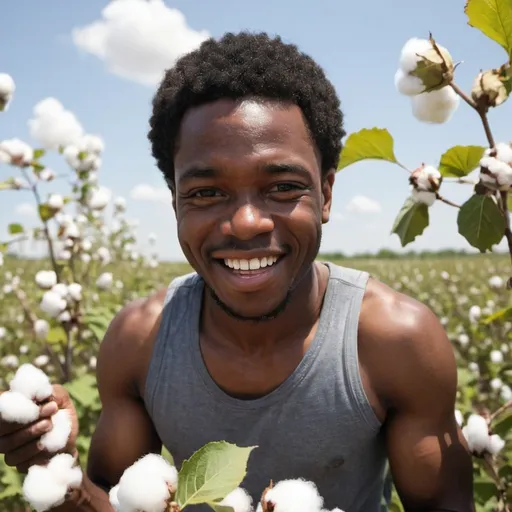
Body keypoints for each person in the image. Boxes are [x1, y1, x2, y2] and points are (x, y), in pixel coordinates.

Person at [0, 32, 474, 512]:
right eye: (207, 193)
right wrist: (58, 469)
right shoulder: (138, 343)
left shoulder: (397, 341)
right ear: (175, 203)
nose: (247, 222)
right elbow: (113, 502)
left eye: (283, 187)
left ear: (326, 194)